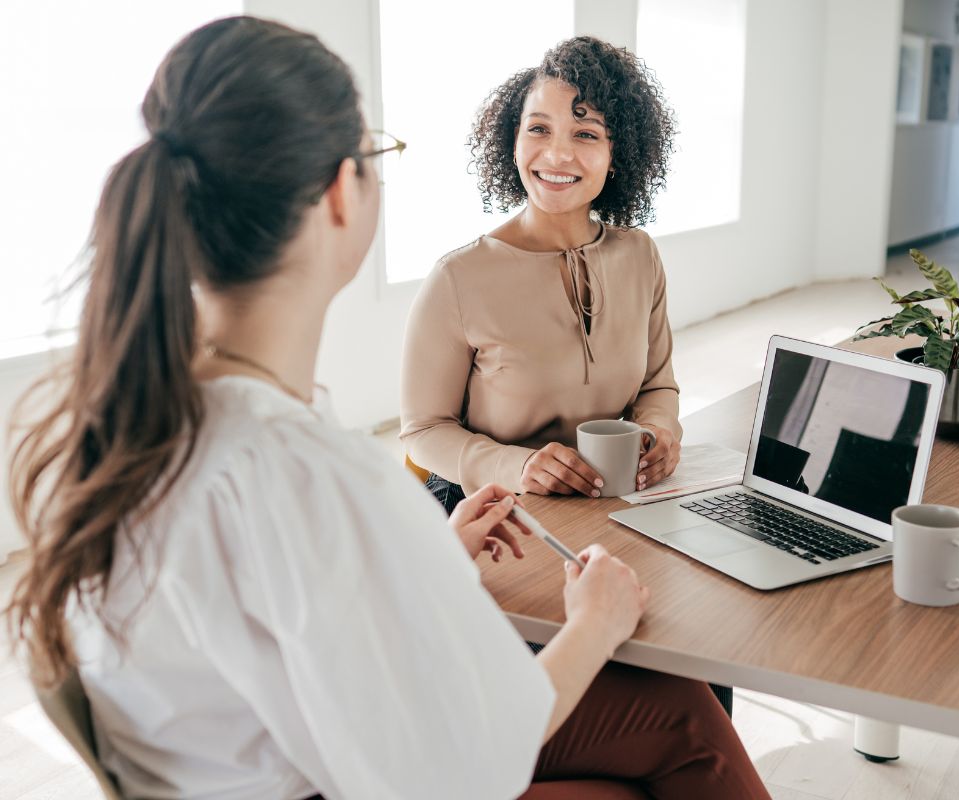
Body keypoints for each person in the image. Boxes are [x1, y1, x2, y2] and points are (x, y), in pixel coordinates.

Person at [4, 17, 769, 800]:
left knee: (675, 711)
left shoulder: (131, 423)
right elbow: (461, 766)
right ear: (343, 191)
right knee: (681, 719)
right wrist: (596, 624)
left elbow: (298, 633)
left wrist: (432, 556)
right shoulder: (310, 473)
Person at [399, 37, 683, 514]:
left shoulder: (639, 255)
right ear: (512, 140)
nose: (556, 155)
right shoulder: (458, 277)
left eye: (586, 134)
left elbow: (657, 385)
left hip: (603, 501)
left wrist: (660, 432)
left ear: (619, 154)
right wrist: (518, 466)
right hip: (484, 508)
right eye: (538, 129)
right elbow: (423, 431)